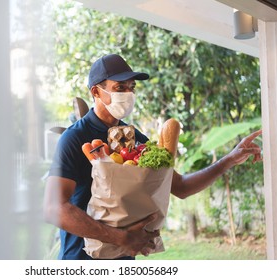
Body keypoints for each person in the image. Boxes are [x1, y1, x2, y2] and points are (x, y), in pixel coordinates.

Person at [43, 53, 262, 260]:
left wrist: (230, 159)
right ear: (96, 92)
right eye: (119, 87)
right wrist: (119, 237)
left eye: (132, 87)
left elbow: (181, 186)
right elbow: (55, 208)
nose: (128, 93)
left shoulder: (135, 137)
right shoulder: (75, 138)